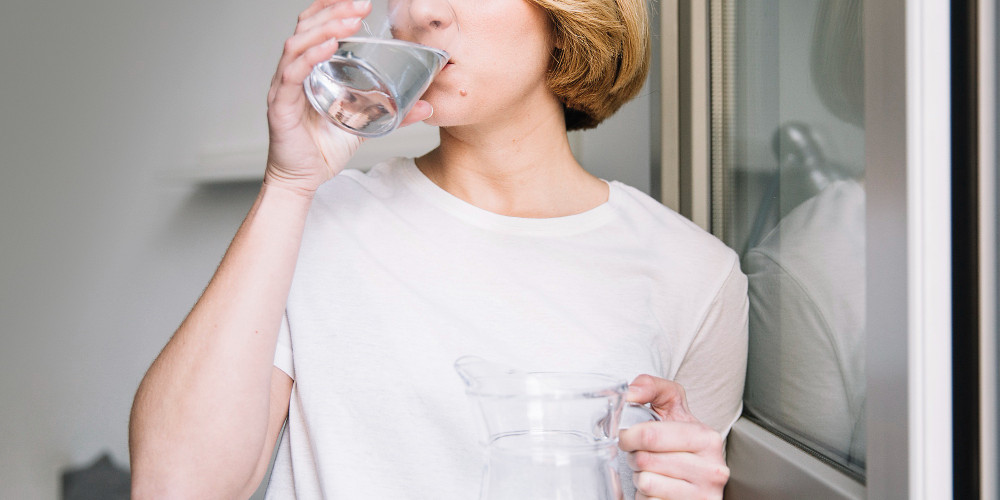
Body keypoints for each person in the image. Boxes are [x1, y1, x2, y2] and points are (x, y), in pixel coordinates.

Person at [128, 0, 748, 498]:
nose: (421, 11)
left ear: (569, 21)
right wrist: (288, 186)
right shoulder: (319, 222)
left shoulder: (695, 274)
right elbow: (171, 486)